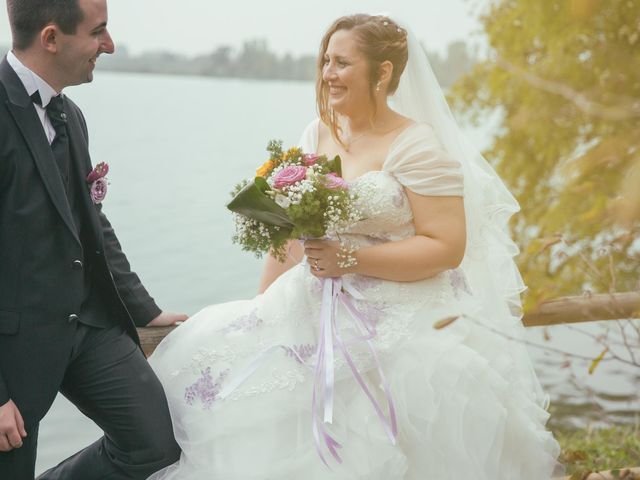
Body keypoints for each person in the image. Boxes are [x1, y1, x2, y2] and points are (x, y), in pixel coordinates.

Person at [148, 13, 562, 479]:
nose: (328, 73)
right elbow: (290, 234)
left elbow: (446, 247)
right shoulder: (318, 133)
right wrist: (262, 308)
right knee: (205, 362)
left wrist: (350, 259)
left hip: (403, 313)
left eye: (342, 62)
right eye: (326, 61)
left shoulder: (416, 147)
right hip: (311, 302)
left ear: (382, 72)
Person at [0, 0, 186, 478]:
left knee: (154, 444)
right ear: (51, 38)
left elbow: (92, 224)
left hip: (87, 325)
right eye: (98, 32)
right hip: (13, 344)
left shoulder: (71, 116)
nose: (109, 45)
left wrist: (145, 310)